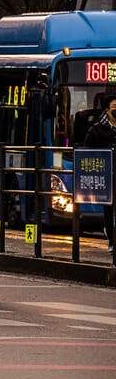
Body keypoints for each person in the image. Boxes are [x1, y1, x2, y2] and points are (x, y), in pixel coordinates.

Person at [84, 94, 116, 259]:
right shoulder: (97, 128)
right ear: (107, 109)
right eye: (114, 106)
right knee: (109, 210)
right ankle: (111, 239)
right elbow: (88, 151)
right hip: (107, 175)